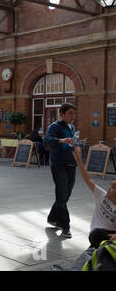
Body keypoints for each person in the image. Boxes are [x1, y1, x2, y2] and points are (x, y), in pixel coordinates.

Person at [43, 103, 78, 238]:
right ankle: (65, 226)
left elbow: (71, 142)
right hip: (59, 164)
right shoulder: (55, 126)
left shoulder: (72, 127)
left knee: (65, 195)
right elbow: (47, 140)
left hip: (71, 163)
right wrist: (62, 140)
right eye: (70, 113)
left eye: (73, 114)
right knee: (62, 194)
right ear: (62, 114)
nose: (72, 116)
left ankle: (53, 218)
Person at [72, 146, 116, 248]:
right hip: (98, 233)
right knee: (96, 235)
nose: (109, 189)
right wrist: (79, 160)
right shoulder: (102, 195)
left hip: (111, 234)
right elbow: (88, 179)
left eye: (112, 188)